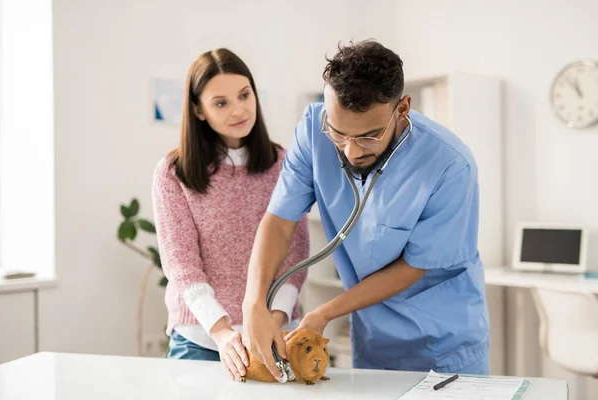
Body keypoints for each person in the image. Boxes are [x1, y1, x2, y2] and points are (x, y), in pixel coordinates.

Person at [242, 39, 490, 379]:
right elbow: (280, 220)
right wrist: (253, 303)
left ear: (402, 108)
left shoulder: (450, 165)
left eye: (369, 136)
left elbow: (413, 268)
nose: (352, 152)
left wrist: (324, 313)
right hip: (372, 341)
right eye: (339, 134)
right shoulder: (314, 131)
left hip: (442, 345)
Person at [151, 48, 309, 381]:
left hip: (276, 335)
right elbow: (181, 265)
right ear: (199, 110)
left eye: (244, 95)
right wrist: (222, 332)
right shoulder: (174, 172)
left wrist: (273, 321)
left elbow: (295, 256)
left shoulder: (285, 163)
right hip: (201, 339)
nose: (239, 109)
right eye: (221, 102)